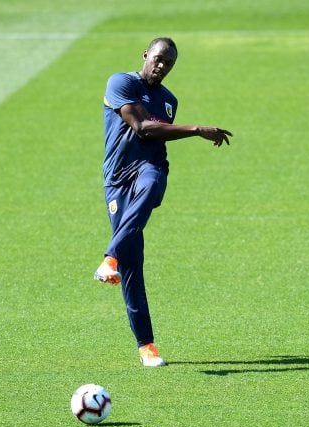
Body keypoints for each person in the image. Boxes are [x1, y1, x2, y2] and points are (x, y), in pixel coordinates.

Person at [94, 37, 232, 367]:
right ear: (145, 54)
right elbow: (142, 127)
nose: (161, 66)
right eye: (158, 58)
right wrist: (197, 129)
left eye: (168, 63)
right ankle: (147, 346)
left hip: (151, 169)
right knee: (133, 265)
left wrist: (183, 131)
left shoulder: (168, 100)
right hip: (118, 181)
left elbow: (158, 137)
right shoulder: (121, 82)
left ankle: (109, 256)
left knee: (152, 181)